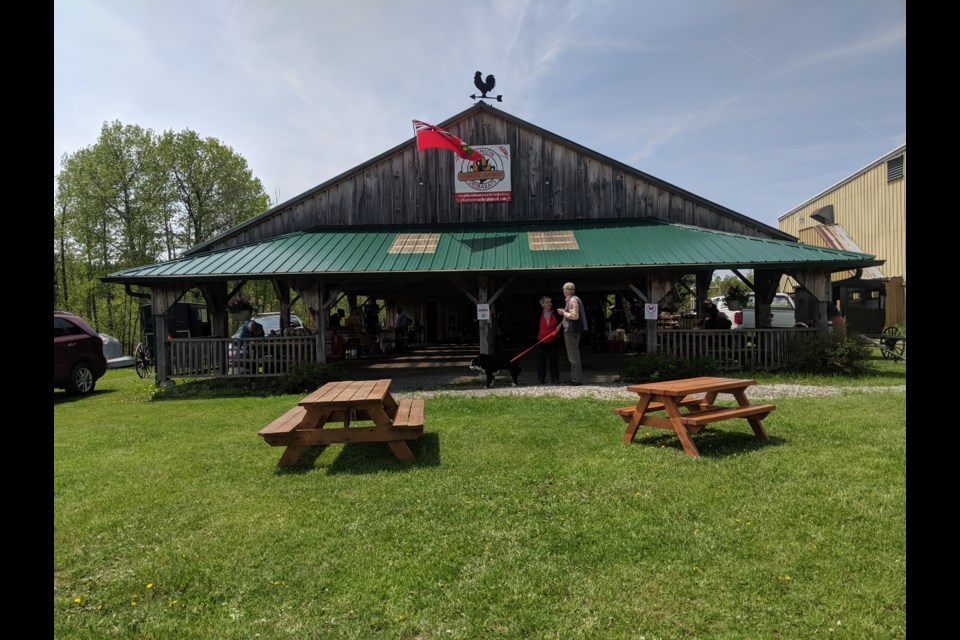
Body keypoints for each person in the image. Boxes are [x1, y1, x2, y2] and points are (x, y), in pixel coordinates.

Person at [556, 282, 587, 386]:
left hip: (572, 331)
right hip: (573, 330)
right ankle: (575, 378)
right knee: (574, 355)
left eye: (564, 290)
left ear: (566, 290)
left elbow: (574, 316)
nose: (563, 292)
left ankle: (576, 380)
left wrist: (563, 313)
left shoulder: (573, 300)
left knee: (573, 356)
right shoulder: (574, 299)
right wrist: (561, 324)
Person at [535, 296, 562, 384]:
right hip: (540, 340)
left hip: (553, 340)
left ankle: (555, 378)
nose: (549, 304)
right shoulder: (537, 313)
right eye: (547, 302)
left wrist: (559, 327)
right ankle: (541, 378)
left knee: (553, 359)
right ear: (542, 304)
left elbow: (562, 321)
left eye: (550, 302)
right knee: (540, 360)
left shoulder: (556, 313)